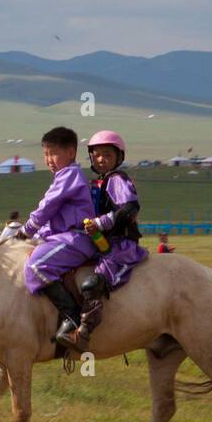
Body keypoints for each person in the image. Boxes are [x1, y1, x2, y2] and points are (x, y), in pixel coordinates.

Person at [54, 130, 149, 350]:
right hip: (100, 243)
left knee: (92, 283)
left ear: (118, 157)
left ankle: (84, 332)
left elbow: (130, 209)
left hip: (121, 245)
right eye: (96, 155)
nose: (101, 159)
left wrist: (100, 223)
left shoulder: (117, 180)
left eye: (107, 155)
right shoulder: (97, 183)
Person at [15, 127, 95, 349]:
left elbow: (47, 207)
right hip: (63, 237)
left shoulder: (70, 175)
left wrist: (26, 231)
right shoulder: (63, 176)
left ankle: (72, 319)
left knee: (36, 265)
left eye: (54, 153)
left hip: (76, 239)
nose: (49, 159)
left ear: (71, 153)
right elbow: (52, 221)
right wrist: (35, 236)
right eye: (45, 154)